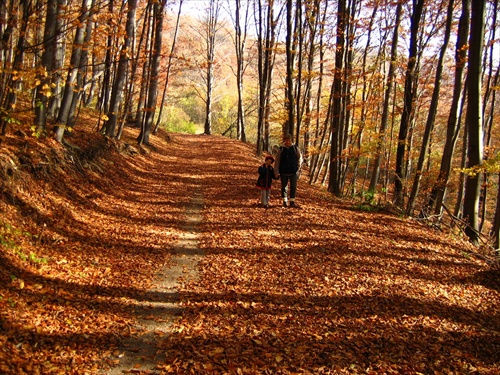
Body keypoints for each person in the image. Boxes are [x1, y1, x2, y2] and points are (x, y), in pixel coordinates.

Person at [274, 134, 303, 208]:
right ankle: (285, 201)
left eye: (289, 140)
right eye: (286, 140)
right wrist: (276, 171)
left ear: (291, 140)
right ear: (285, 140)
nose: (288, 142)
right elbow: (277, 161)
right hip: (283, 171)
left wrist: (298, 166)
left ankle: (292, 201)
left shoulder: (295, 148)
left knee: (293, 186)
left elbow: (300, 158)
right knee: (284, 187)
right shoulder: (281, 149)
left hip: (293, 171)